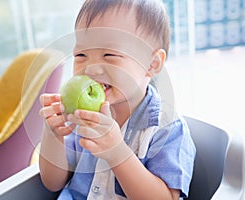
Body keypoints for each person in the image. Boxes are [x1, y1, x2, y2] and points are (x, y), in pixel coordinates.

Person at [39, 0, 196, 199]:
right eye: (81, 54)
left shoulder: (166, 128)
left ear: (152, 64)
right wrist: (53, 135)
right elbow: (52, 182)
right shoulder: (82, 117)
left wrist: (117, 153)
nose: (92, 68)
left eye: (109, 54)